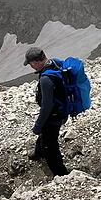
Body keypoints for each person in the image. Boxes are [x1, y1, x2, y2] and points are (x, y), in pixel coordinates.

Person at [24, 47, 70, 177]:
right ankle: (38, 152)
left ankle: (61, 174)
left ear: (37, 62)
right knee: (45, 136)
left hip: (53, 116)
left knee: (51, 146)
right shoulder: (54, 63)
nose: (31, 66)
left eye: (31, 63)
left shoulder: (46, 79)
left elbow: (46, 106)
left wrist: (37, 126)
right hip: (61, 110)